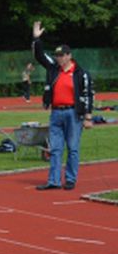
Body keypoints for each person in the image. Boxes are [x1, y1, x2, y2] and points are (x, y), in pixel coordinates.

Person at [32, 21, 94, 191]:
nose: (58, 58)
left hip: (74, 113)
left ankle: (70, 179)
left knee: (73, 148)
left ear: (69, 56)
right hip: (56, 112)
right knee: (55, 148)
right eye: (57, 55)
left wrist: (88, 117)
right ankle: (53, 180)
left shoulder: (81, 73)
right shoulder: (53, 69)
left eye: (61, 55)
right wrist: (37, 39)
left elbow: (88, 94)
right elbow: (39, 56)